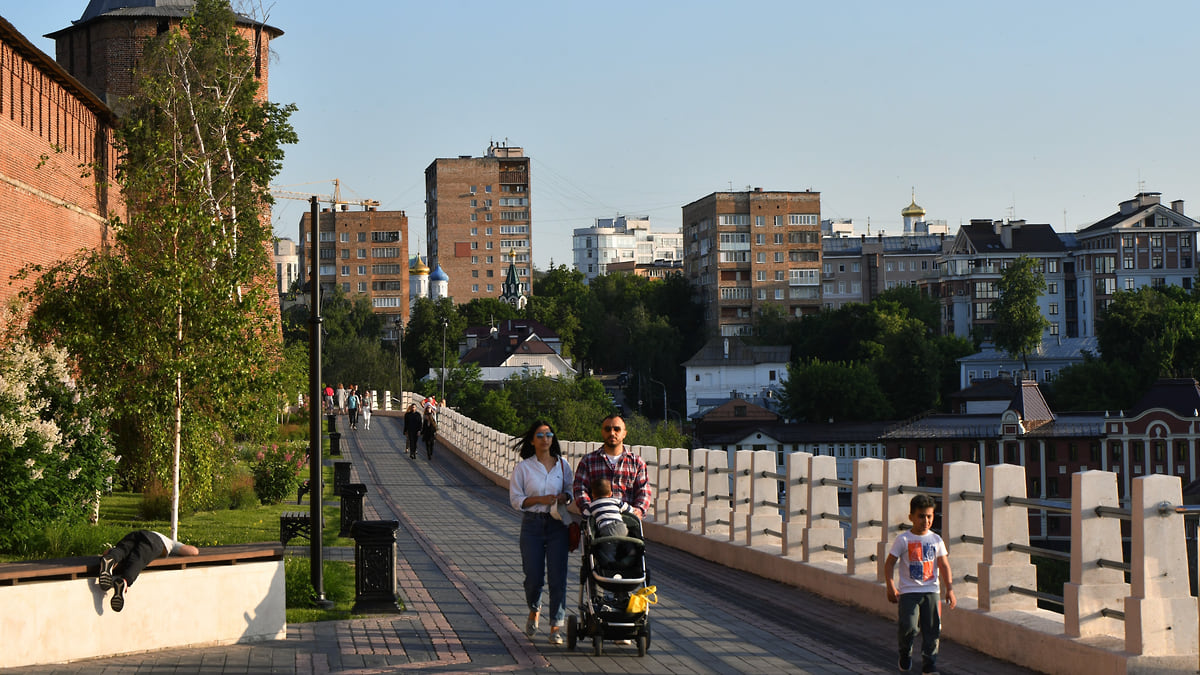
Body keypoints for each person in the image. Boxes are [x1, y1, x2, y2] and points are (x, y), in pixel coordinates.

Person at [509, 420, 572, 646]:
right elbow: (516, 500)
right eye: (540, 435)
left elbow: (570, 491)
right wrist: (539, 499)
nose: (545, 438)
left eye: (548, 434)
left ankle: (556, 625)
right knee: (533, 577)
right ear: (532, 440)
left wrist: (565, 497)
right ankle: (534, 608)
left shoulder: (563, 466)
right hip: (532, 525)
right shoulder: (523, 468)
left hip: (557, 525)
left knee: (558, 577)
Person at [884, 494, 956, 674]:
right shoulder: (903, 540)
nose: (926, 520)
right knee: (909, 626)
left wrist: (949, 589)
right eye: (921, 516)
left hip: (932, 590)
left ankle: (929, 664)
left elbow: (944, 565)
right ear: (911, 517)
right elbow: (889, 563)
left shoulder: (936, 540)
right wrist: (891, 586)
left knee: (932, 629)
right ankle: (905, 653)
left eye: (929, 516)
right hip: (908, 591)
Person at [97, 530, 200, 612]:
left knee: (122, 550)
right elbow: (193, 552)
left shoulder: (149, 533)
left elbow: (105, 551)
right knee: (138, 559)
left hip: (135, 534)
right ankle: (124, 581)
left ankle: (111, 559)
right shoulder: (170, 543)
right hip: (155, 541)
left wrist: (108, 553)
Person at [572, 414, 651, 518]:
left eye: (617, 429)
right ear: (602, 432)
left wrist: (638, 511)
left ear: (624, 434)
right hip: (596, 521)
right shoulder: (588, 461)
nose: (612, 433)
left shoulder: (637, 462)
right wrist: (589, 509)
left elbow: (643, 491)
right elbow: (579, 488)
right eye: (607, 429)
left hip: (627, 521)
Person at [584, 477, 632, 566]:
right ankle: (629, 556)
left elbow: (585, 516)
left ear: (593, 494)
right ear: (610, 493)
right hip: (621, 526)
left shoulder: (592, 505)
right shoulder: (616, 501)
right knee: (625, 542)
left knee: (608, 550)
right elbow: (629, 509)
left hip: (606, 529)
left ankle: (612, 566)